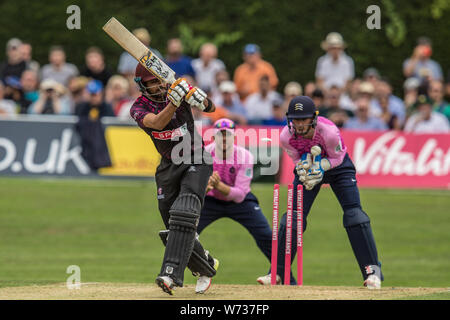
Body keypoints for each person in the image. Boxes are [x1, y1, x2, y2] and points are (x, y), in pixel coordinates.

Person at [257, 96, 384, 289]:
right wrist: (303, 168)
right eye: (295, 119)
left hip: (338, 167)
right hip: (309, 168)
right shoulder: (286, 136)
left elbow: (339, 156)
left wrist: (322, 166)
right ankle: (277, 273)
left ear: (314, 118)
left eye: (304, 119)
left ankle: (373, 272)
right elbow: (295, 158)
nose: (299, 124)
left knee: (354, 216)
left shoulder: (329, 132)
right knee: (293, 217)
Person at [129, 63, 219, 295]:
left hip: (196, 158)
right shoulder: (138, 107)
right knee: (173, 225)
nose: (158, 84)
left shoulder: (176, 90)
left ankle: (170, 274)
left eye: (160, 80)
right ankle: (205, 264)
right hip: (169, 165)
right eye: (152, 82)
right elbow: (157, 123)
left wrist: (199, 97)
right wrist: (174, 102)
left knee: (185, 211)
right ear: (143, 85)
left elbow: (210, 108)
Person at [198, 118, 273, 283]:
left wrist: (217, 185)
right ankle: (175, 273)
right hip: (210, 201)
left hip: (241, 203)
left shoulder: (245, 156)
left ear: (234, 138)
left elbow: (239, 195)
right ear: (213, 137)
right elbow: (195, 188)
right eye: (220, 135)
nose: (224, 139)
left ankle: (282, 276)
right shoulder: (203, 155)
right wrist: (206, 188)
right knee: (186, 233)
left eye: (227, 136)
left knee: (267, 236)